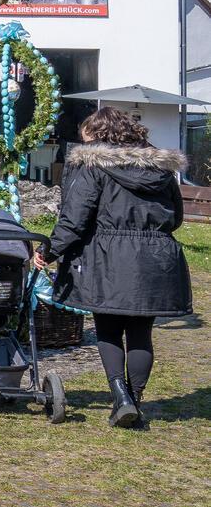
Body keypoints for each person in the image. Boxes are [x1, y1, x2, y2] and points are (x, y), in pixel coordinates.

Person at [46, 107, 193, 428]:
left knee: (109, 330)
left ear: (98, 137)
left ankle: (121, 397)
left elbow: (74, 218)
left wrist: (48, 251)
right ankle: (134, 401)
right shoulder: (162, 169)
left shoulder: (93, 166)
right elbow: (177, 218)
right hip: (155, 258)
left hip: (108, 257)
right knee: (141, 334)